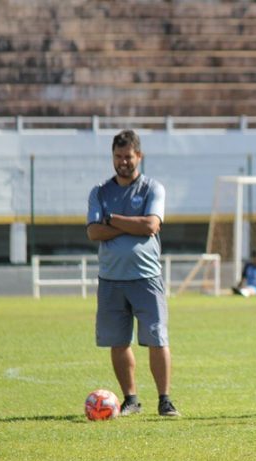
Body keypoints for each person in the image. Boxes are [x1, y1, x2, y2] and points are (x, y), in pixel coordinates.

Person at [86, 129, 179, 417]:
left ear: (139, 156)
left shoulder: (153, 188)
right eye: (118, 156)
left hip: (146, 277)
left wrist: (112, 220)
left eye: (128, 156)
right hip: (111, 279)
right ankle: (131, 399)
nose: (123, 162)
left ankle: (164, 400)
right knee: (118, 341)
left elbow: (151, 226)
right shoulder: (99, 191)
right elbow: (93, 231)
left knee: (157, 338)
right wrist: (131, 224)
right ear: (112, 157)